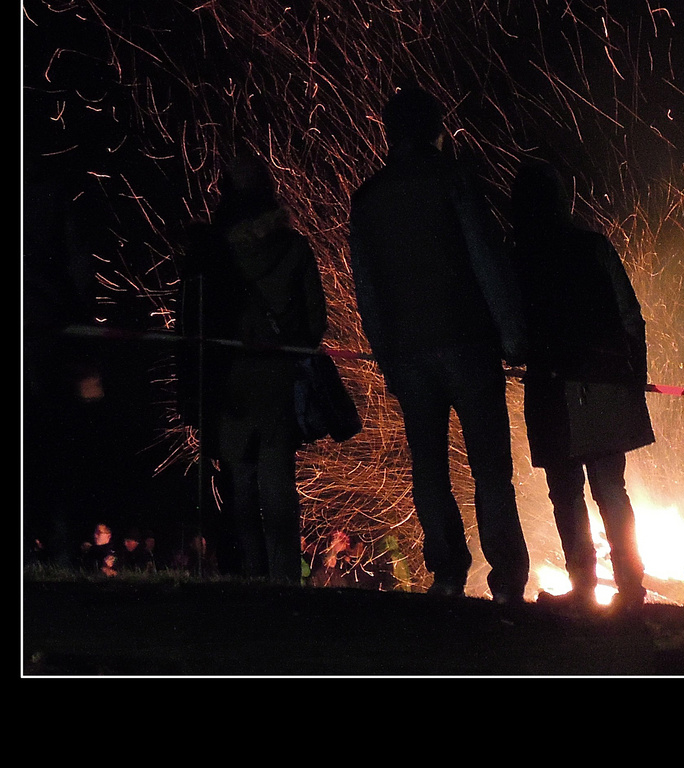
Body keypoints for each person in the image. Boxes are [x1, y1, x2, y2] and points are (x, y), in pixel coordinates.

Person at [349, 87, 530, 602]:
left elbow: (366, 288)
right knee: (491, 465)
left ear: (388, 132)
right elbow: (485, 256)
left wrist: (385, 352)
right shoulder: (454, 180)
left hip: (408, 352)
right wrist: (512, 331)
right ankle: (507, 580)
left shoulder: (368, 200)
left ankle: (447, 573)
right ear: (435, 128)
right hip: (467, 342)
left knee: (428, 465)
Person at [511, 161, 655, 615]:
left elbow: (513, 334)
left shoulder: (521, 256)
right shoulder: (592, 246)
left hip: (554, 387)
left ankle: (586, 586)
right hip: (604, 383)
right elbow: (630, 315)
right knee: (610, 488)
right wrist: (634, 376)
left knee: (567, 490)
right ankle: (630, 586)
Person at [180, 156, 328, 584]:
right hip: (277, 384)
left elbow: (192, 324)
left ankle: (249, 576)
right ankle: (285, 580)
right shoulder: (294, 247)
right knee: (279, 482)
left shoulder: (210, 253)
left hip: (226, 384)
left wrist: (191, 390)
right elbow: (314, 324)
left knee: (238, 485)